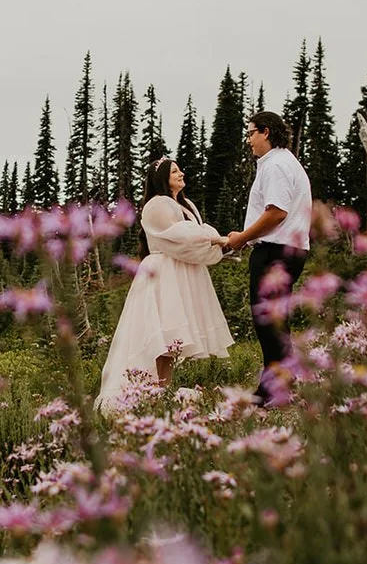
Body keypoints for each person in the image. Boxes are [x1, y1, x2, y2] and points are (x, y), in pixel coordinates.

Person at [96, 158, 234, 415]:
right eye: (174, 171)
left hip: (182, 273)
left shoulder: (187, 205)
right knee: (160, 336)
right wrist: (217, 239)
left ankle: (162, 393)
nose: (181, 173)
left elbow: (194, 241)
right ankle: (148, 394)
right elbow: (179, 236)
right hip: (164, 276)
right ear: (161, 178)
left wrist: (221, 246)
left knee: (171, 342)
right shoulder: (157, 205)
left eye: (180, 168)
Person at [225, 111, 312, 404]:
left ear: (265, 131)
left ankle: (273, 391)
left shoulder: (275, 165)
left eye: (250, 133)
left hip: (275, 251)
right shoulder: (285, 162)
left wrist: (242, 238)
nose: (248, 140)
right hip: (289, 249)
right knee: (276, 319)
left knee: (267, 320)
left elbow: (276, 212)